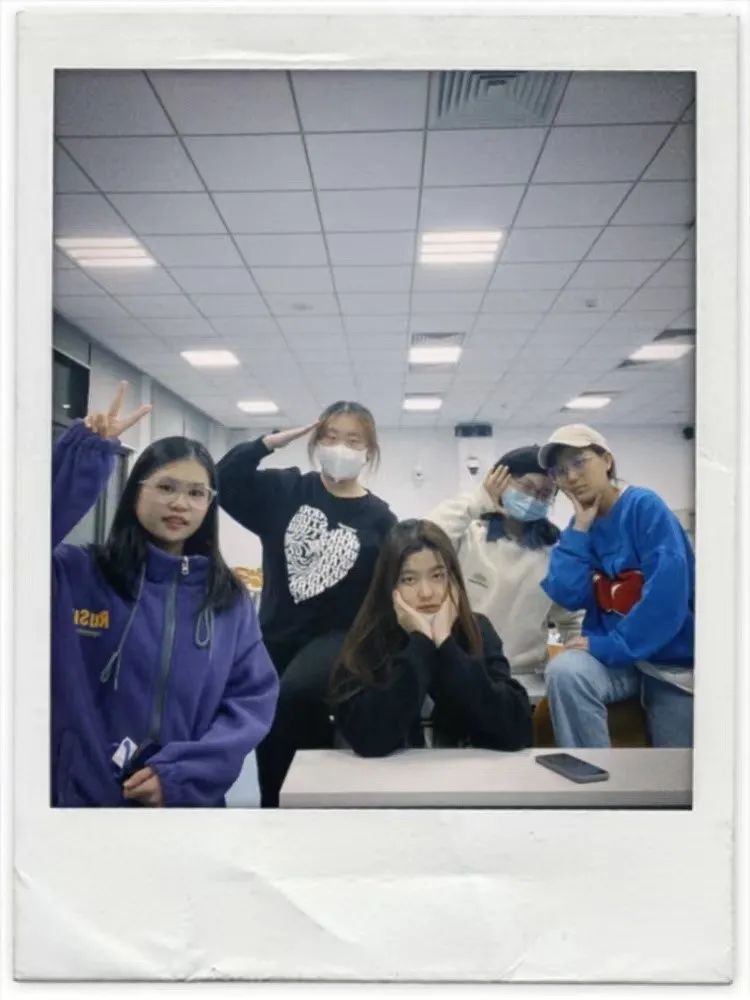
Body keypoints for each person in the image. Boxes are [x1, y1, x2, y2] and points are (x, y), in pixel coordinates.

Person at [51, 383, 279, 807]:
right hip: (81, 802)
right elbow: (18, 543)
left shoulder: (226, 598)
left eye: (196, 493)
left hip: (182, 804)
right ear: (136, 491)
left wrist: (183, 774)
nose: (180, 504)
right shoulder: (77, 574)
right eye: (166, 487)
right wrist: (82, 458)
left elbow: (251, 702)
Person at [217, 400, 397, 805]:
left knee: (297, 700)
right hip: (275, 639)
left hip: (339, 642)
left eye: (354, 440)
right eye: (331, 436)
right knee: (274, 734)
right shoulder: (287, 490)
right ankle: (276, 809)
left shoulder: (380, 519)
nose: (341, 447)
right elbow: (222, 480)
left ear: (369, 450)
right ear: (316, 442)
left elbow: (386, 592)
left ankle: (312, 808)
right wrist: (265, 444)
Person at [537, 424, 694, 748]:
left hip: (668, 662)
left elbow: (666, 600)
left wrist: (611, 645)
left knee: (673, 764)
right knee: (565, 671)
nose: (571, 477)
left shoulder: (644, 508)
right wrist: (579, 529)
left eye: (579, 462)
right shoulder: (580, 527)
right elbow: (568, 594)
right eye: (560, 471)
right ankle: (589, 768)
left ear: (607, 460)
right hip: (618, 662)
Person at [328, 519, 532, 756]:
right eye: (409, 579)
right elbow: (371, 740)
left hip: (467, 775)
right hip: (391, 777)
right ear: (389, 586)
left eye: (437, 576)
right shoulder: (370, 637)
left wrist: (446, 644)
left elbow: (515, 732)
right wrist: (421, 643)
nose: (426, 593)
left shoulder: (477, 629)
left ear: (453, 581)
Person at [426, 446, 583, 691]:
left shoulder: (554, 553)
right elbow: (424, 537)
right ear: (500, 480)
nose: (534, 498)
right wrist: (478, 499)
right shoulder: (470, 536)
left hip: (524, 678)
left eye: (545, 493)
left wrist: (576, 657)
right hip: (462, 670)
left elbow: (572, 619)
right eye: (527, 486)